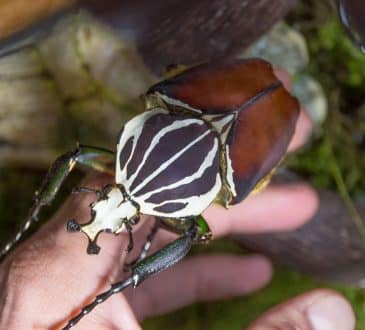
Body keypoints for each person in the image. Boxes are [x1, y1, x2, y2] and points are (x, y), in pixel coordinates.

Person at [0, 72, 355, 329]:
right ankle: (126, 273)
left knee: (192, 230)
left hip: (237, 101)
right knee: (191, 231)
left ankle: (126, 274)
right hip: (238, 101)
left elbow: (73, 156)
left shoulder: (170, 112)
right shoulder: (166, 102)